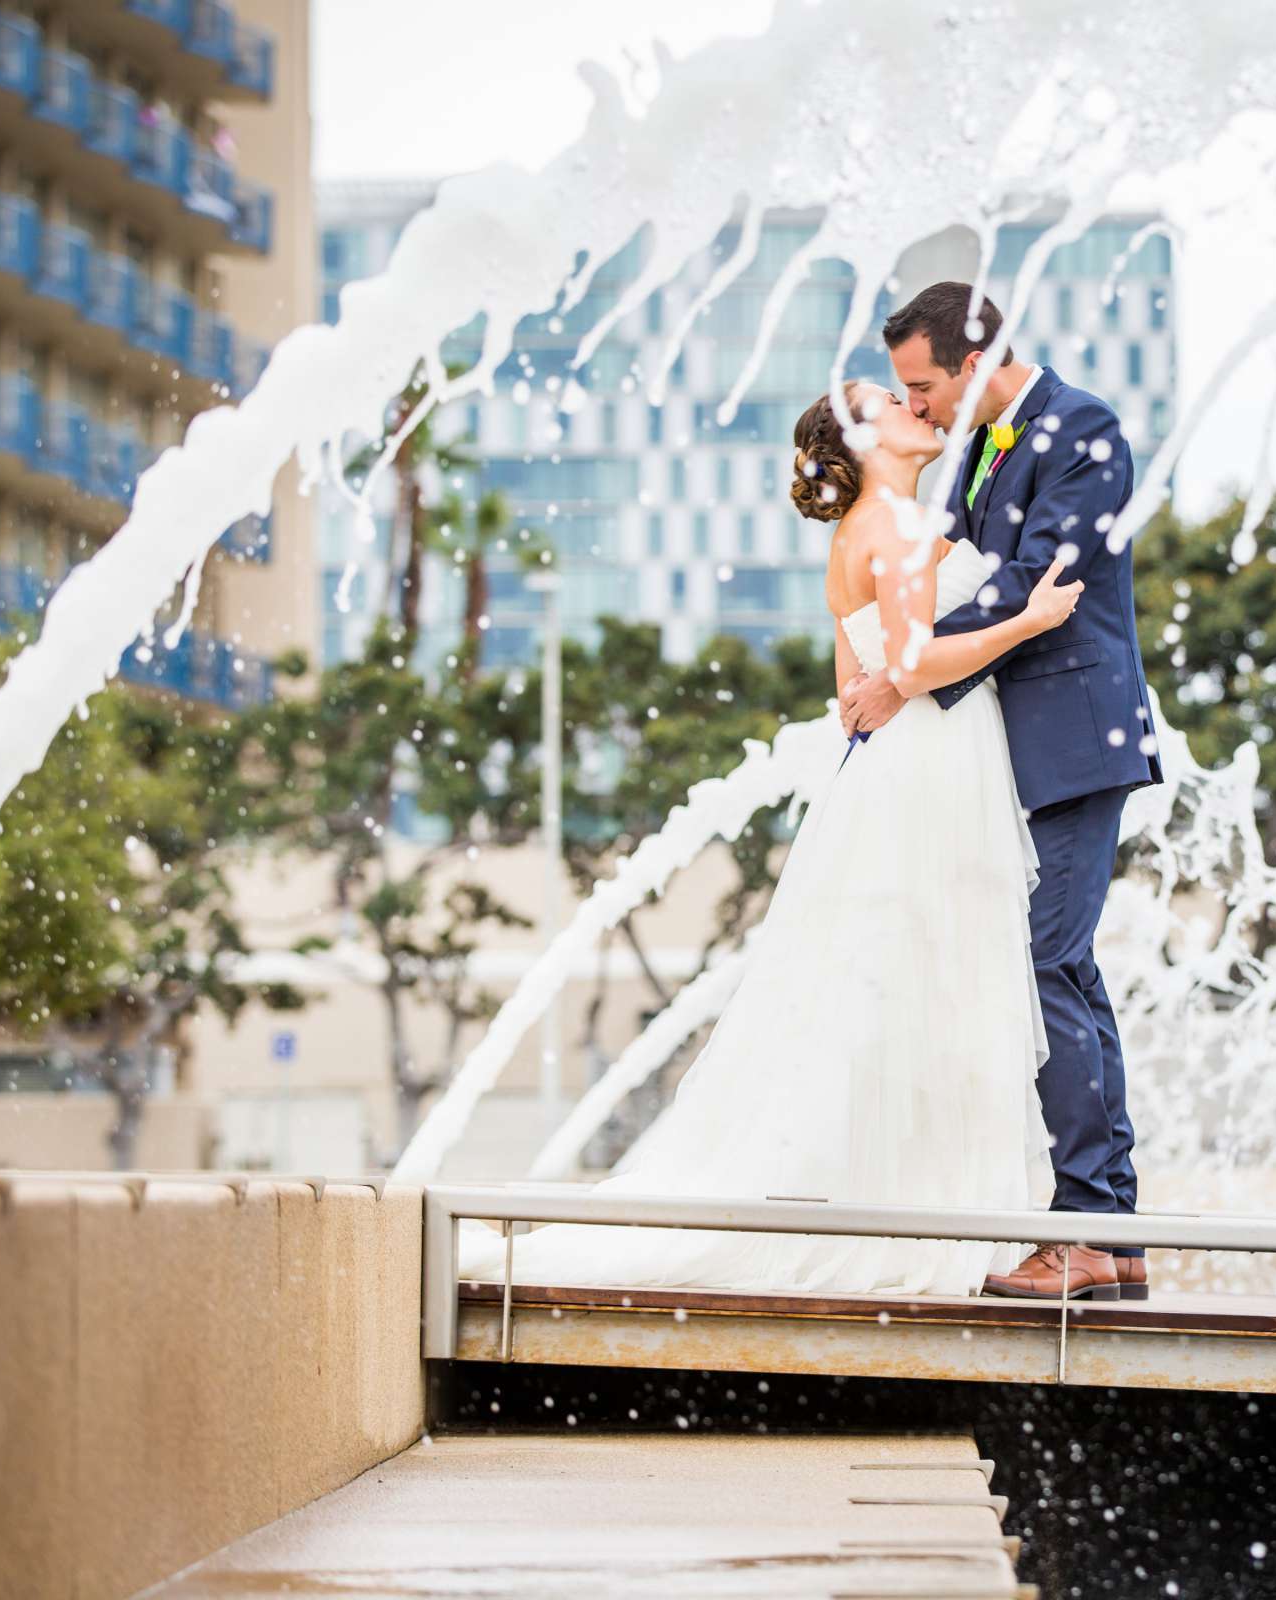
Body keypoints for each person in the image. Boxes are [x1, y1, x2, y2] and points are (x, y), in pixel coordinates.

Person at [463, 379, 1088, 1297]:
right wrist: (1029, 621)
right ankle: (923, 1216)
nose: (917, 408)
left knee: (883, 979)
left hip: (890, 764)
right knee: (927, 976)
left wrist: (893, 684)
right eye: (891, 404)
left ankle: (891, 1203)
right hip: (931, 765)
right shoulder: (902, 529)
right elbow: (912, 664)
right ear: (862, 443)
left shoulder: (860, 533)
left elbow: (854, 679)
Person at [842, 282, 1163, 1302]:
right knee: (1061, 969)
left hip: (1076, 736)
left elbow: (1038, 584)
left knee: (1045, 963)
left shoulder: (1084, 426)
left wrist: (909, 669)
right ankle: (1108, 1230)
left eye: (924, 384)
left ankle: (1086, 1231)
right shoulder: (986, 445)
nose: (921, 406)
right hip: (1025, 742)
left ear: (978, 358)